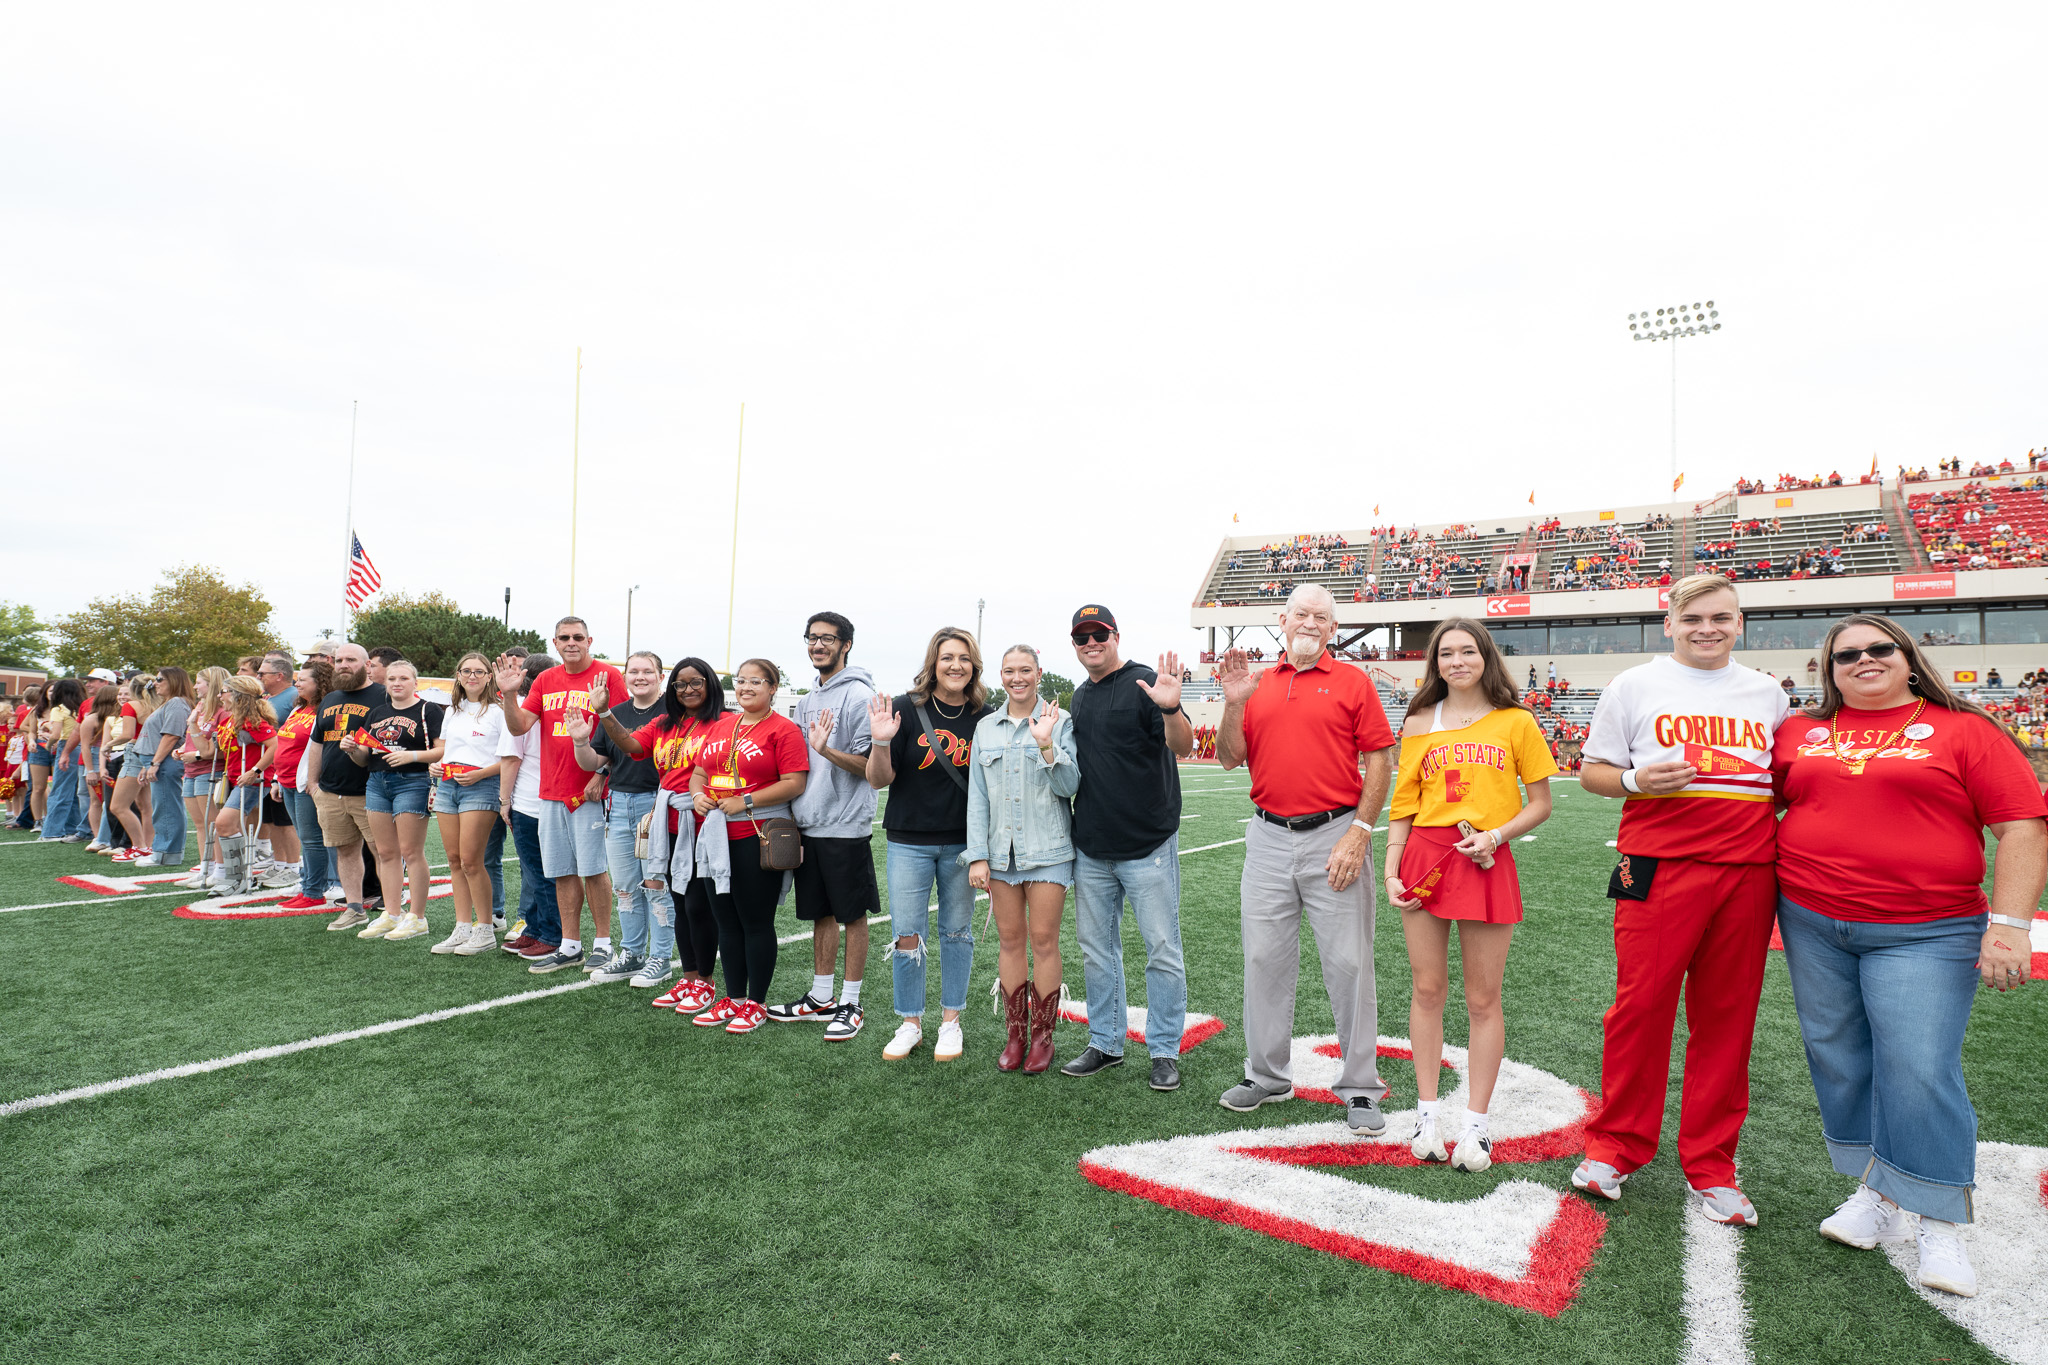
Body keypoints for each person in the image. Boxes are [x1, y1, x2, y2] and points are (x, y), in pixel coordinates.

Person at [1773, 615, 2046, 1297]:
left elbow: (2021, 824)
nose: (1863, 660)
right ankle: (1879, 1194)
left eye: (1878, 648)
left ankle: (1939, 1219)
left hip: (1926, 928)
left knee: (1918, 1064)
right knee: (1837, 1053)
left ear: (1908, 657)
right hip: (1811, 921)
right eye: (1845, 655)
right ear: (1827, 669)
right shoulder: (1798, 732)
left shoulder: (1964, 730)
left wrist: (2009, 923)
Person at [1573, 574, 1790, 1226]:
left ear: (1739, 622)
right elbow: (1593, 773)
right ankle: (1616, 1146)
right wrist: (1638, 778)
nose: (1707, 628)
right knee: (1639, 1009)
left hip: (1749, 871)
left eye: (1721, 617)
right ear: (1669, 622)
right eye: (1693, 617)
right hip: (1658, 867)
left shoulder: (1768, 693)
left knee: (1727, 1019)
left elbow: (1780, 783)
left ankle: (1712, 1164)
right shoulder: (1634, 685)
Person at [1214, 585, 1394, 1131]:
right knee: (1263, 960)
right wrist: (1233, 702)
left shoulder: (1353, 681)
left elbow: (1381, 759)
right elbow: (1227, 758)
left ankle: (1361, 1086)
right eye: (1301, 614)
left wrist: (1361, 831)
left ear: (1333, 629)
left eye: (1322, 616)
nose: (1310, 623)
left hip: (1334, 833)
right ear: (1282, 620)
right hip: (1268, 836)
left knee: (1349, 963)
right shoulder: (1256, 684)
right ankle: (1266, 1076)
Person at [1385, 618, 1556, 1172]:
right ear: (1434, 663)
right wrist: (1391, 870)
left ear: (1486, 656)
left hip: (1484, 858)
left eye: (1468, 651)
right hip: (1423, 859)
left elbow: (1540, 804)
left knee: (1484, 999)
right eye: (1446, 653)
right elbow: (1403, 804)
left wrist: (1495, 836)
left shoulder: (1516, 721)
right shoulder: (1417, 721)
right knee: (1427, 989)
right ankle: (1427, 1114)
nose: (1457, 662)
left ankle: (1476, 1126)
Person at [1059, 605, 1194, 1092]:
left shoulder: (1145, 683)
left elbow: (1182, 745)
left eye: (1098, 634)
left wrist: (1171, 707)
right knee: (1097, 951)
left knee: (1161, 949)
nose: (1090, 643)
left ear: (1116, 635)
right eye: (1081, 637)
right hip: (1092, 846)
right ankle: (1106, 1042)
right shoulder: (1079, 695)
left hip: (1147, 844)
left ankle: (1163, 1050)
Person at [866, 628, 991, 1061]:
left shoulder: (985, 716)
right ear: (932, 664)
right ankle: (910, 1022)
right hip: (909, 841)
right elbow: (879, 779)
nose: (955, 665)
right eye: (946, 657)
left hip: (962, 845)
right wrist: (881, 740)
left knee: (957, 934)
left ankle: (951, 1023)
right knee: (906, 934)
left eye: (964, 657)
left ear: (974, 664)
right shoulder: (905, 708)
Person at [966, 645, 1078, 1073]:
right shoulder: (986, 729)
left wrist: (1046, 744)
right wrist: (978, 857)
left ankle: (1043, 1038)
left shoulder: (1060, 720)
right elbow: (977, 797)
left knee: (1045, 942)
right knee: (1010, 942)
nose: (1018, 678)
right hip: (999, 855)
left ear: (1039, 672)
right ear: (1000, 675)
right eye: (1010, 671)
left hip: (1048, 851)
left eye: (1025, 670)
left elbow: (1070, 786)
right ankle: (1015, 1034)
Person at [767, 612, 878, 1040]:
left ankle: (851, 1002)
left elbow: (869, 766)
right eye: (812, 638)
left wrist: (827, 749)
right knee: (821, 914)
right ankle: (820, 997)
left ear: (845, 644)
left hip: (845, 824)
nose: (818, 646)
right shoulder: (810, 698)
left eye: (827, 639)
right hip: (810, 824)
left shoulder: (858, 695)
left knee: (852, 915)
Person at [493, 618, 627, 974]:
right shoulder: (547, 679)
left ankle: (603, 943)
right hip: (549, 792)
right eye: (565, 637)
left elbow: (623, 730)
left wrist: (602, 772)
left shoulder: (607, 675)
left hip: (588, 792)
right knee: (561, 872)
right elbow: (519, 725)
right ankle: (570, 945)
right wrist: (508, 694)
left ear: (589, 641)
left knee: (594, 870)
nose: (571, 643)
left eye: (578, 637)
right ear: (554, 642)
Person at [686, 659, 810, 1032]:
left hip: (756, 836)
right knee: (726, 922)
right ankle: (735, 998)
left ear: (773, 687)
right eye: (741, 681)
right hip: (716, 836)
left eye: (757, 681)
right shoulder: (723, 724)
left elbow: (794, 782)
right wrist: (696, 796)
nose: (746, 687)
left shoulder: (783, 730)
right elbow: (699, 772)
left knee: (755, 922)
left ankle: (756, 1003)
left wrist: (747, 801)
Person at [602, 657, 726, 1009]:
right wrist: (605, 713)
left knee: (701, 905)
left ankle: (705, 981)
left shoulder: (723, 722)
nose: (688, 689)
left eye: (696, 682)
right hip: (669, 825)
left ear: (710, 683)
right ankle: (687, 979)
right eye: (680, 684)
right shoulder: (663, 723)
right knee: (681, 904)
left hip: (706, 825)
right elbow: (630, 746)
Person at [568, 651, 666, 984]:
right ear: (624, 678)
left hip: (657, 802)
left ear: (660, 676)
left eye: (647, 671)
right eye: (633, 671)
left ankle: (661, 957)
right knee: (625, 887)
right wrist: (580, 739)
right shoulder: (616, 712)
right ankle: (633, 953)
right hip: (618, 803)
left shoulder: (672, 712)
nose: (640, 677)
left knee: (656, 884)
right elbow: (591, 763)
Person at [344, 660, 444, 942]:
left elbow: (441, 750)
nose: (397, 683)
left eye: (403, 678)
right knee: (386, 852)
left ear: (415, 681)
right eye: (391, 679)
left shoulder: (428, 709)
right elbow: (366, 756)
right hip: (377, 782)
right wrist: (351, 750)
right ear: (385, 683)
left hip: (413, 781)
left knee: (411, 852)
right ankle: (392, 913)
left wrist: (410, 756)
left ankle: (417, 917)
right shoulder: (377, 711)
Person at [426, 652, 504, 955]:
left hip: (481, 786)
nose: (472, 676)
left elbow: (509, 759)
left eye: (479, 671)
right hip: (448, 785)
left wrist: (480, 774)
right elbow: (443, 750)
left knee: (473, 860)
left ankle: (484, 928)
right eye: (466, 671)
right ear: (458, 675)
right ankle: (462, 927)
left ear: (489, 677)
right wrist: (436, 765)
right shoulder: (452, 711)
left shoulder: (499, 711)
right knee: (455, 859)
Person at [307, 644, 386, 932]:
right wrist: (314, 783)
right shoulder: (330, 698)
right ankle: (355, 908)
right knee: (345, 851)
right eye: (339, 660)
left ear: (366, 665)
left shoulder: (382, 695)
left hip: (370, 789)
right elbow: (318, 742)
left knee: (383, 851)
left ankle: (392, 910)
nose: (343, 665)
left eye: (351, 660)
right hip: (331, 791)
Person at [496, 655, 564, 962]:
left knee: (538, 872)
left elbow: (511, 758)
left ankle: (549, 933)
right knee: (540, 872)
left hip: (530, 799)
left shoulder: (522, 708)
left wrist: (504, 800)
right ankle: (537, 928)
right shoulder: (546, 706)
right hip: (545, 797)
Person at [201, 676, 280, 893]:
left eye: (224, 691)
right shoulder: (229, 721)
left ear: (237, 695)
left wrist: (256, 771)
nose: (219, 696)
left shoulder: (253, 722)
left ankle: (238, 876)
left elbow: (274, 746)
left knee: (224, 823)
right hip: (234, 779)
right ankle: (233, 875)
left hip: (251, 781)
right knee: (228, 825)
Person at [267, 662, 332, 908]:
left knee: (311, 838)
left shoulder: (323, 711)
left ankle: (314, 892)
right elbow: (284, 745)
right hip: (286, 781)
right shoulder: (299, 709)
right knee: (306, 838)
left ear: (320, 683)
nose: (297, 683)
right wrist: (275, 779)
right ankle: (309, 886)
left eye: (303, 680)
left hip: (305, 783)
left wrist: (310, 780)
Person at [130, 667, 194, 870]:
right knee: (164, 806)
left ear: (174, 681)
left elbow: (171, 736)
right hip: (160, 760)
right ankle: (165, 851)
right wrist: (148, 763)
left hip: (165, 761)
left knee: (166, 807)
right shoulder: (172, 703)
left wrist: (155, 763)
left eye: (160, 679)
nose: (155, 683)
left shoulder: (176, 703)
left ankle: (166, 853)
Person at [173, 668, 231, 888]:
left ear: (213, 684)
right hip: (191, 772)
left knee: (212, 823)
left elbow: (213, 750)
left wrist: (195, 753)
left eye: (199, 683)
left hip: (210, 771)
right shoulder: (200, 708)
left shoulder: (222, 712)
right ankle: (205, 867)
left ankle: (219, 869)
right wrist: (180, 751)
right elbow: (195, 744)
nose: (195, 687)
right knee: (200, 824)